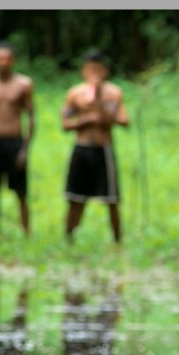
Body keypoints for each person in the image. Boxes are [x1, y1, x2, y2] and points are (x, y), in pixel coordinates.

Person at [61, 49, 127, 245]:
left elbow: (122, 120)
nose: (94, 74)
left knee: (112, 199)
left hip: (103, 149)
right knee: (75, 197)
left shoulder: (113, 94)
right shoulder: (75, 93)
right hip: (81, 149)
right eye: (90, 70)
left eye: (98, 69)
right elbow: (65, 124)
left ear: (104, 71)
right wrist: (86, 119)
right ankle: (69, 237)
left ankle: (117, 241)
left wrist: (99, 100)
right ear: (84, 71)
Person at [0, 41, 35, 235]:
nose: (3, 62)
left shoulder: (23, 84)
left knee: (21, 191)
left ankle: (26, 231)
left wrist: (25, 149)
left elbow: (31, 117)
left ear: (13, 60)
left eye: (7, 58)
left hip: (15, 141)